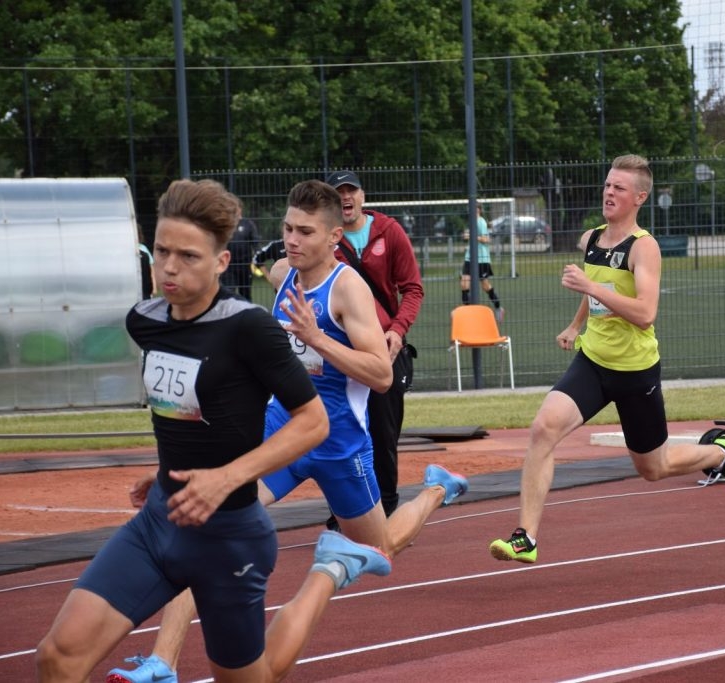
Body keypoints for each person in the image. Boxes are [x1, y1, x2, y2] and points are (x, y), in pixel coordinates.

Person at [104, 179, 467, 683]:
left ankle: (435, 488)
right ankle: (161, 661)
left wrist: (317, 337)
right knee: (207, 526)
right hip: (284, 430)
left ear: (334, 238)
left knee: (380, 548)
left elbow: (382, 374)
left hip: (340, 440)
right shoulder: (282, 275)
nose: (292, 240)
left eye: (305, 232)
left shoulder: (347, 289)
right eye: (287, 229)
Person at [35, 178, 392, 683]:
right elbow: (187, 408)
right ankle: (162, 661)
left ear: (221, 263)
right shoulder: (145, 321)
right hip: (162, 520)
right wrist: (167, 471)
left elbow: (312, 421)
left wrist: (225, 478)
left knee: (255, 676)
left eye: (189, 256)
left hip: (230, 538)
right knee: (57, 657)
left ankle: (329, 570)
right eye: (161, 251)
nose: (170, 268)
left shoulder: (249, 328)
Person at [488, 154, 725, 565]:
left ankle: (721, 453)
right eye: (608, 185)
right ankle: (526, 537)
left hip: (635, 372)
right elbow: (596, 293)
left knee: (653, 467)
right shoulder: (592, 238)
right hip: (593, 362)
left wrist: (590, 285)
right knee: (543, 428)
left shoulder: (644, 249)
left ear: (640, 197)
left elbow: (645, 313)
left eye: (619, 188)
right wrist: (576, 325)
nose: (609, 192)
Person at [325, 170, 424, 520]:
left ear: (363, 196)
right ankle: (346, 512)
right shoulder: (325, 241)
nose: (346, 198)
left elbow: (412, 288)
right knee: (342, 432)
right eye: (338, 194)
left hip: (386, 350)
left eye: (351, 191)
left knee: (383, 435)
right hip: (343, 354)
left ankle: (388, 508)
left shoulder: (389, 231)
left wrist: (397, 331)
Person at [460, 203, 503, 321]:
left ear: (478, 210)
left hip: (481, 259)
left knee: (485, 286)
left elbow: (486, 239)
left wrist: (472, 236)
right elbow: (470, 237)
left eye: (473, 208)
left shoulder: (481, 222)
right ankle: (468, 313)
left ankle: (498, 307)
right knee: (464, 284)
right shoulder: (471, 222)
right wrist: (467, 239)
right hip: (470, 257)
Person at [220, 208, 261, 301]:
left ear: (240, 210)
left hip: (245, 265)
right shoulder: (226, 224)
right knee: (228, 292)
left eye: (235, 208)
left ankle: (248, 313)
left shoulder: (248, 224)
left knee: (245, 293)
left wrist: (258, 254)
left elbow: (255, 242)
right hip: (229, 265)